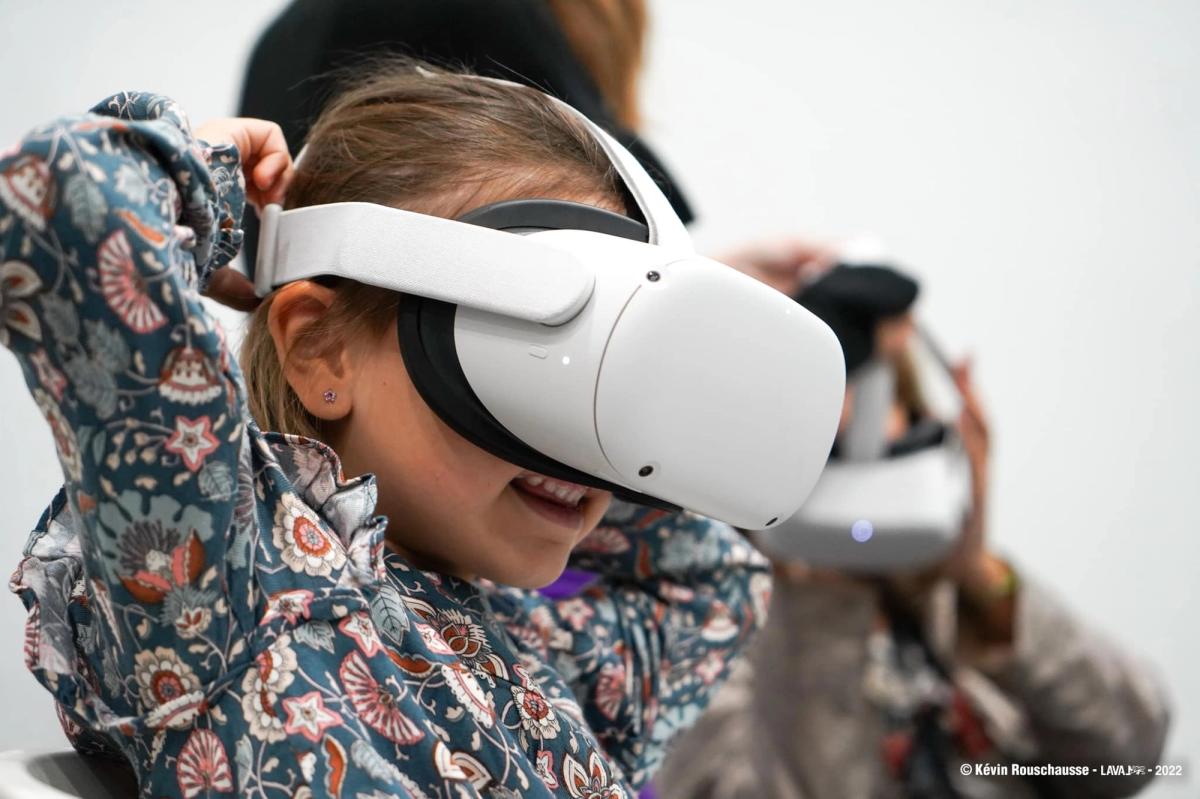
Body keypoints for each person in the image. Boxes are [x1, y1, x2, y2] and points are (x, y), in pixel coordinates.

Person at [2, 63, 770, 797]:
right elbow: (58, 195)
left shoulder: (544, 654)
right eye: (544, 355)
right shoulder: (232, 580)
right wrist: (208, 189)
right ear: (321, 347)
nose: (583, 438)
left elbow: (718, 588)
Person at [656, 264, 1170, 799]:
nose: (861, 447)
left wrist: (981, 580)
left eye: (881, 405)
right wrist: (821, 600)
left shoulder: (950, 607)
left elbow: (1126, 756)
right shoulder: (712, 629)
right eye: (826, 422)